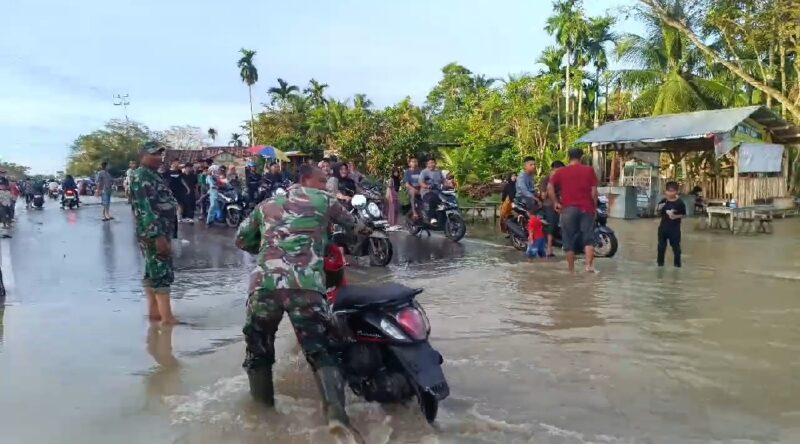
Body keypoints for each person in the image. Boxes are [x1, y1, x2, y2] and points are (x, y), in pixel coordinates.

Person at [235, 165, 360, 434]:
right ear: (305, 180)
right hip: (305, 287)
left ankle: (263, 419)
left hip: (264, 286)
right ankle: (336, 416)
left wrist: (272, 248)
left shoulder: (266, 204)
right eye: (322, 180)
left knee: (258, 352)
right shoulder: (325, 200)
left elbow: (242, 239)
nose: (326, 185)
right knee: (320, 349)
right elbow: (355, 227)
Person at [130, 141, 179, 325]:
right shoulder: (141, 176)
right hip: (154, 232)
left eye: (161, 154)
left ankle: (154, 313)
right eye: (155, 154)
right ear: (143, 155)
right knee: (161, 272)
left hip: (159, 230)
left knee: (152, 271)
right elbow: (145, 209)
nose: (160, 158)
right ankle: (167, 318)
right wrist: (158, 237)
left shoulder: (151, 175)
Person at [548, 148, 599, 273]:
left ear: (568, 157)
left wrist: (555, 202)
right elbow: (594, 192)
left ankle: (571, 270)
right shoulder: (589, 170)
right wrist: (595, 207)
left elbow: (550, 187)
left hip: (568, 210)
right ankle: (589, 267)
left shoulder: (561, 172)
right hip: (586, 208)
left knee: (568, 240)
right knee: (588, 239)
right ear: (581, 157)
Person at [656, 181, 686, 267]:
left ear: (676, 191)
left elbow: (684, 215)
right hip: (663, 228)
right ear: (665, 191)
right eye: (668, 191)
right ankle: (660, 265)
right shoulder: (664, 201)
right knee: (661, 248)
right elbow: (657, 212)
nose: (669, 193)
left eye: (672, 191)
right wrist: (658, 208)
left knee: (676, 249)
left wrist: (675, 216)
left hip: (674, 229)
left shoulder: (680, 203)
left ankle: (677, 266)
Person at [540, 160, 564, 257]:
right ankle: (549, 248)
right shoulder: (545, 179)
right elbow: (543, 196)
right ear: (554, 170)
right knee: (552, 224)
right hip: (549, 204)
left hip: (560, 203)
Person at [419, 158, 444, 225]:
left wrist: (451, 184)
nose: (431, 164)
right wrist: (427, 186)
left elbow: (444, 182)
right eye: (430, 163)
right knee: (432, 199)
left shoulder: (439, 172)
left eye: (433, 162)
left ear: (435, 163)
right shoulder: (424, 172)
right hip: (427, 192)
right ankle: (432, 218)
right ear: (427, 164)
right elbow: (421, 183)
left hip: (438, 192)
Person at [165, 161, 188, 232]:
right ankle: (170, 216)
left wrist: (187, 187)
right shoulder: (168, 172)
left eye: (177, 163)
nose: (176, 164)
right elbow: (165, 181)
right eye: (175, 163)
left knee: (180, 203)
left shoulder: (179, 172)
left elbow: (182, 180)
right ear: (172, 164)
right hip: (170, 190)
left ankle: (179, 217)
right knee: (171, 204)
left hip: (179, 190)